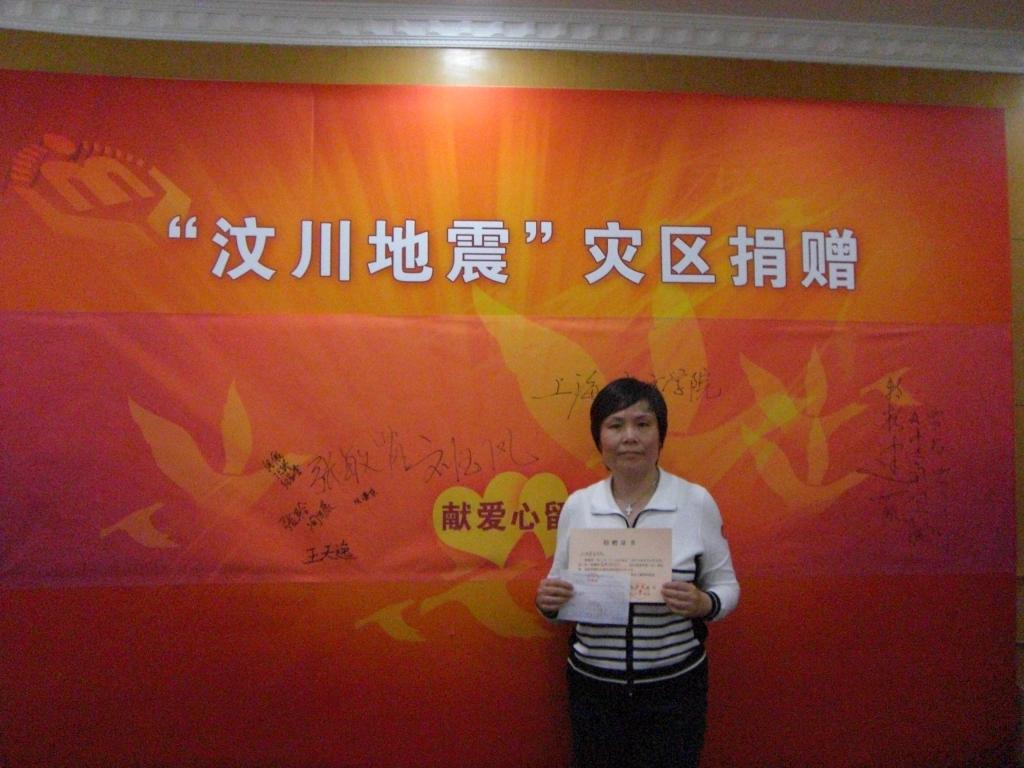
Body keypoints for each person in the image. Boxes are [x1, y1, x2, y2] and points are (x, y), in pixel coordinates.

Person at [535, 377, 739, 768]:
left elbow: (726, 586)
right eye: (616, 425)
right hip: (594, 687)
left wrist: (704, 603)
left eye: (643, 424)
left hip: (673, 688)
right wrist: (548, 602)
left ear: (660, 435)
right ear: (599, 438)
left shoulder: (694, 501)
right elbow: (559, 596)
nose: (630, 436)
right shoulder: (579, 505)